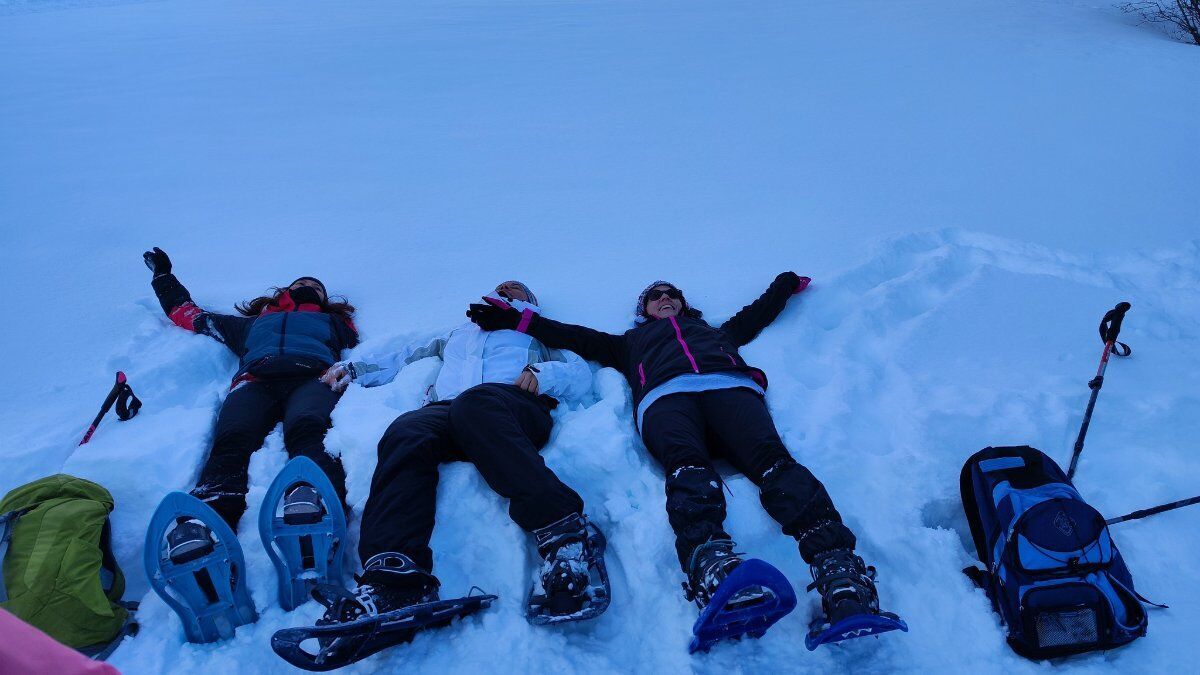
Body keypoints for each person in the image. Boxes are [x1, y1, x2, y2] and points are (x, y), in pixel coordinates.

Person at [467, 273, 890, 629]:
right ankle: (712, 565)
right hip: (666, 401)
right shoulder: (627, 343)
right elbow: (569, 335)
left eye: (672, 294)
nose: (665, 298)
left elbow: (758, 313)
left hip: (731, 391)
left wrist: (782, 285)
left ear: (683, 305)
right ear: (644, 309)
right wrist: (516, 320)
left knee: (776, 466)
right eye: (656, 296)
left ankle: (839, 569)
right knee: (687, 469)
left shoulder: (715, 333)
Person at [315, 280, 602, 626]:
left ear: (532, 303)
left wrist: (544, 372)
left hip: (512, 408)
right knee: (407, 430)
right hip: (450, 412)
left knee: (475, 402)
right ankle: (394, 576)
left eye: (518, 289)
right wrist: (356, 369)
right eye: (501, 287)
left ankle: (564, 534)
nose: (507, 288)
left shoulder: (534, 330)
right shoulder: (459, 334)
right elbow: (406, 355)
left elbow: (579, 372)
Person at [142, 247, 358, 558]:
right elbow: (189, 315)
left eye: (316, 286)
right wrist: (163, 278)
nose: (308, 286)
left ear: (324, 299)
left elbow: (374, 352)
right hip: (255, 381)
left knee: (310, 429)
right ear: (284, 292)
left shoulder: (335, 323)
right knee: (233, 438)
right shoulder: (251, 324)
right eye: (301, 282)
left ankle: (314, 500)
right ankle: (209, 518)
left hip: (312, 377)